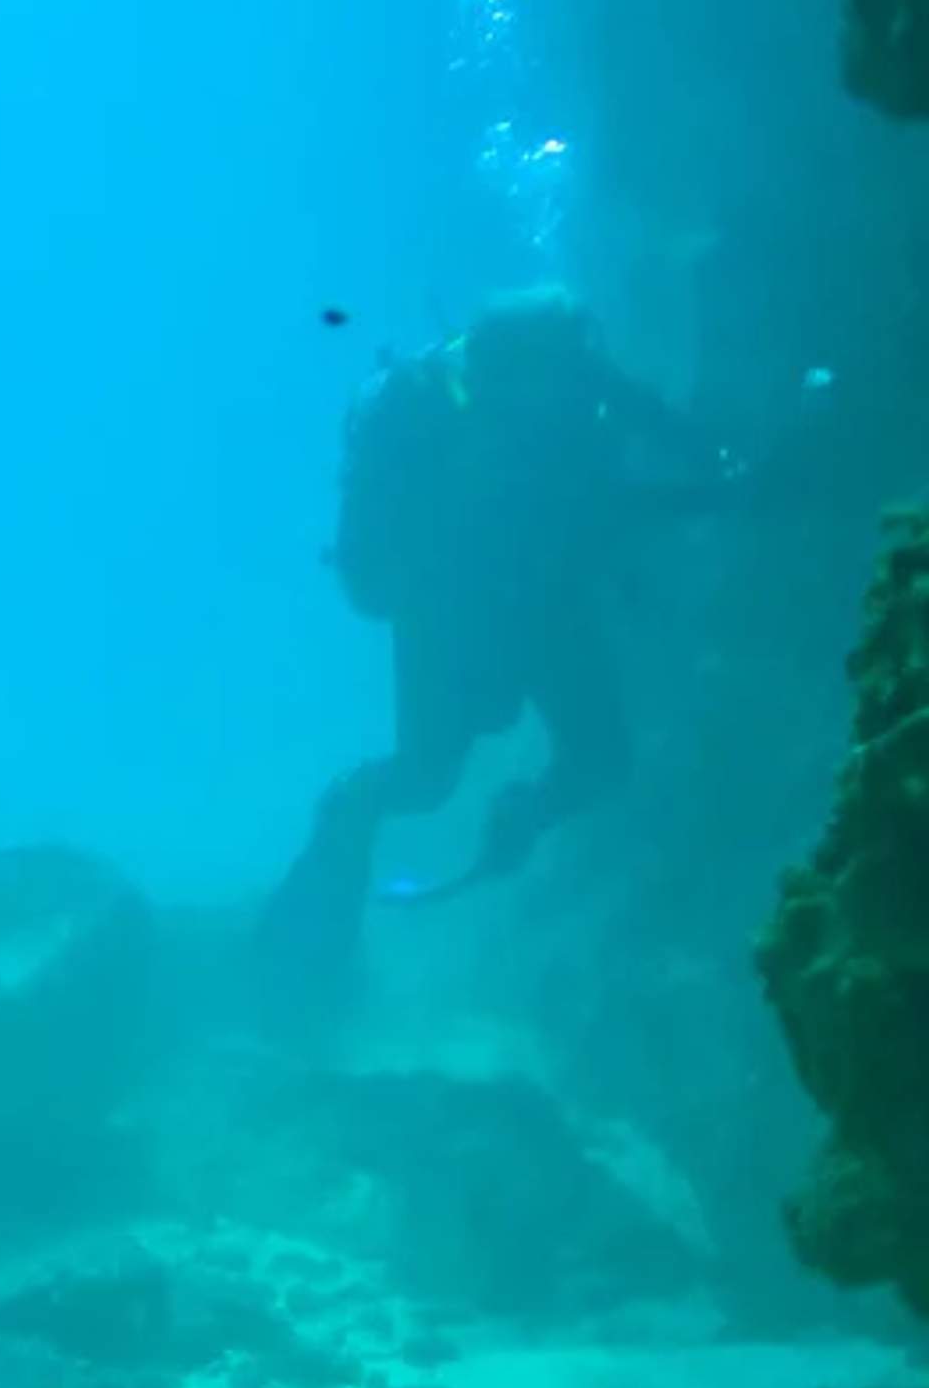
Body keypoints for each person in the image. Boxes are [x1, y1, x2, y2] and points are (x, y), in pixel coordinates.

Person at [258, 289, 727, 994]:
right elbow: (608, 495)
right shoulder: (492, 425)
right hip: (466, 611)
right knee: (447, 776)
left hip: (514, 609)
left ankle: (470, 813)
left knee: (467, 773)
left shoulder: (557, 386)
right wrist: (724, 483)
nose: (581, 377)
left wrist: (719, 468)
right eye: (567, 364)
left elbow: (644, 441)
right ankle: (349, 843)